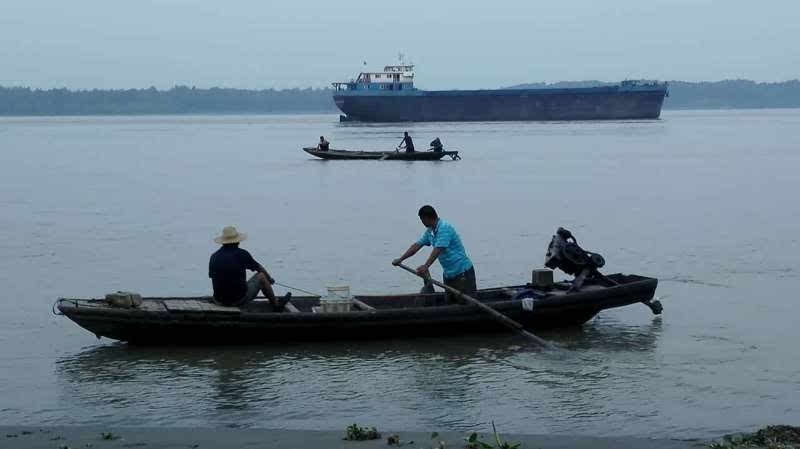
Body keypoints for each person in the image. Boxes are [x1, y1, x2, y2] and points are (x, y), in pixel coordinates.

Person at [392, 205, 476, 303]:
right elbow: (416, 246)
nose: (422, 222)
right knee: (450, 304)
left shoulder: (444, 228)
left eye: (422, 220)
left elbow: (438, 249)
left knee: (467, 304)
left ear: (426, 218)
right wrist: (401, 259)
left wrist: (426, 266)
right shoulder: (430, 232)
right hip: (449, 275)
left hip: (462, 273)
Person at [209, 226, 290, 310]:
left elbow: (212, 276)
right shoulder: (242, 254)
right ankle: (276, 304)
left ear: (223, 242)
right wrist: (269, 279)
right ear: (238, 241)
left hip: (218, 300)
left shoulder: (214, 256)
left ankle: (224, 299)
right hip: (238, 300)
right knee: (261, 276)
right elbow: (259, 268)